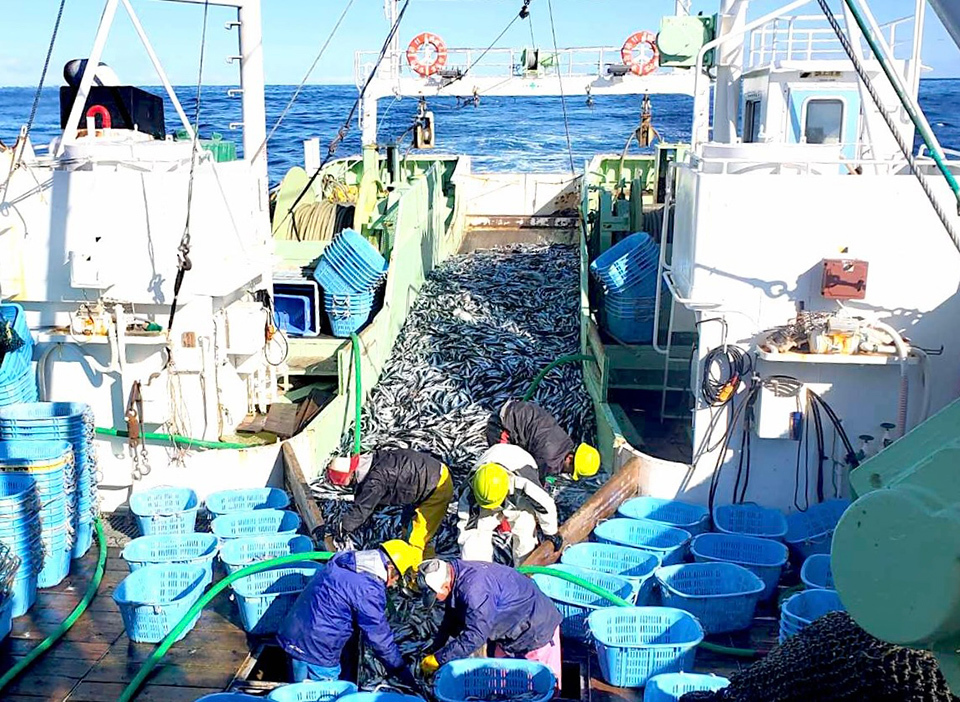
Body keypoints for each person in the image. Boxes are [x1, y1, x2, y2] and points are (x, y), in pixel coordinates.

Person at [277, 539, 422, 687]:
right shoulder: (369, 589)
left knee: (297, 691)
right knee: (322, 694)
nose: (392, 583)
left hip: (292, 634)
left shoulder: (344, 560)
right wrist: (402, 672)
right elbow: (380, 639)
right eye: (397, 577)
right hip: (318, 650)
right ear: (390, 568)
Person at [416, 558, 563, 685]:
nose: (436, 600)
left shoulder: (474, 592)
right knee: (501, 682)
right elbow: (451, 617)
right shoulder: (456, 572)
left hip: (538, 629)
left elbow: (476, 635)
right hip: (511, 627)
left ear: (445, 586)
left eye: (436, 596)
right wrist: (436, 649)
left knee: (541, 683)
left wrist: (439, 659)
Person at [325, 448, 454, 554]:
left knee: (416, 540)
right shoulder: (372, 459)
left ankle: (415, 578)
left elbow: (362, 509)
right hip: (432, 473)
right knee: (407, 524)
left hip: (436, 489)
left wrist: (342, 528)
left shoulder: (374, 483)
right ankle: (418, 554)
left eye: (343, 484)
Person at [456, 443, 562, 564]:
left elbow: (545, 505)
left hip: (519, 462)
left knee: (524, 530)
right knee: (477, 536)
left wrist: (551, 532)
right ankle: (482, 571)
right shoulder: (469, 491)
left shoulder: (525, 484)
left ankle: (523, 570)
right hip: (491, 468)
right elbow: (468, 529)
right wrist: (473, 565)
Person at [486, 400, 601, 482]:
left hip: (517, 409)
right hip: (502, 425)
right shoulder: (550, 459)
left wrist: (551, 480)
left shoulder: (565, 442)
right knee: (502, 472)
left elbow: (545, 475)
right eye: (571, 471)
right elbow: (532, 480)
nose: (568, 474)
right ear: (570, 458)